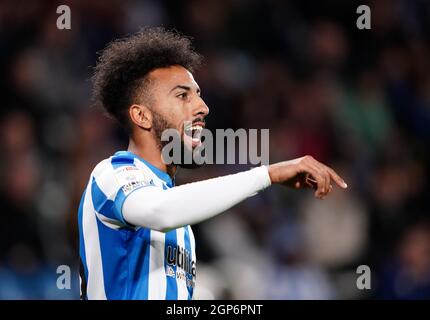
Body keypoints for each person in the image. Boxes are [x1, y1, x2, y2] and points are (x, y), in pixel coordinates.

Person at [78, 27, 348, 300]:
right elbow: (159, 211)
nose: (203, 107)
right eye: (183, 95)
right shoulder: (111, 175)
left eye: (198, 94)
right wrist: (268, 174)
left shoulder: (183, 229)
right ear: (142, 116)